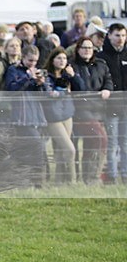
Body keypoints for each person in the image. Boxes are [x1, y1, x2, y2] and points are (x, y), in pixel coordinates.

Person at [4, 45, 51, 188]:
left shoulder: (38, 72)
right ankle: (37, 182)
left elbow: (45, 95)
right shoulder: (13, 70)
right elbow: (12, 89)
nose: (33, 64)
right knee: (36, 146)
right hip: (21, 117)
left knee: (26, 149)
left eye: (35, 61)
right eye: (30, 60)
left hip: (36, 115)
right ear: (23, 57)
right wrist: (28, 78)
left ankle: (24, 181)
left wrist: (41, 84)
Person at [70, 37, 112, 184]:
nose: (87, 50)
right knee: (101, 139)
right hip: (80, 112)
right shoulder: (72, 66)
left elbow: (107, 79)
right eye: (84, 47)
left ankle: (88, 177)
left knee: (91, 145)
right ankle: (93, 176)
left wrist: (107, 89)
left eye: (89, 47)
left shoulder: (101, 65)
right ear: (78, 49)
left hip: (99, 110)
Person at [42, 48, 84, 184]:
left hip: (67, 114)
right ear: (52, 60)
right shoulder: (47, 76)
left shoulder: (68, 74)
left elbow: (81, 88)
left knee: (61, 150)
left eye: (64, 59)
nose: (62, 61)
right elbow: (50, 94)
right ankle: (72, 180)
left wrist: (72, 77)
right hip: (53, 117)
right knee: (70, 149)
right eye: (59, 58)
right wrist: (64, 91)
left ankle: (59, 181)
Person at [97, 23, 127, 184]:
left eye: (123, 35)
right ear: (109, 36)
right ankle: (112, 175)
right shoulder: (102, 57)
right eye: (117, 35)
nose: (120, 39)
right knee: (112, 142)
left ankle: (125, 174)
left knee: (125, 142)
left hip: (125, 107)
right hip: (110, 108)